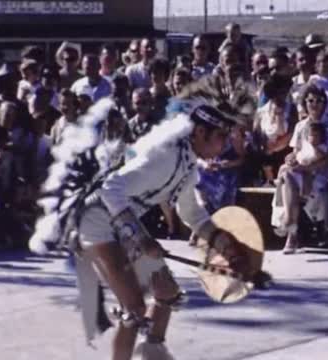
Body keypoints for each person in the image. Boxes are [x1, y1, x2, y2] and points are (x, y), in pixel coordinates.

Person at [29, 78, 256, 360]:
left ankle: (152, 351)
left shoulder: (187, 164)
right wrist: (142, 239)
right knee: (134, 309)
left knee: (167, 292)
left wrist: (226, 246)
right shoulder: (164, 155)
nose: (225, 144)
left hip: (122, 225)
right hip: (94, 222)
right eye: (221, 136)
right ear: (200, 132)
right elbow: (110, 190)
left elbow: (192, 213)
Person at [271, 85, 328, 254]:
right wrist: (292, 159)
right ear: (305, 103)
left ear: (324, 103)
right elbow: (296, 151)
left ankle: (291, 230)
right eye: (310, 101)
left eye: (319, 101)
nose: (315, 104)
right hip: (300, 169)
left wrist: (308, 168)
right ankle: (291, 229)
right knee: (288, 175)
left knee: (288, 179)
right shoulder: (301, 126)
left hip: (321, 171)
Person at [276, 122, 327, 197]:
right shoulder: (305, 146)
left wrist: (314, 147)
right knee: (283, 167)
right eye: (311, 135)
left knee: (306, 176)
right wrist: (292, 159)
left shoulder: (322, 147)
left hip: (310, 169)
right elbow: (298, 154)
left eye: (316, 136)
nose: (314, 138)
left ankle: (305, 195)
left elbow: (320, 157)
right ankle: (279, 181)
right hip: (298, 164)